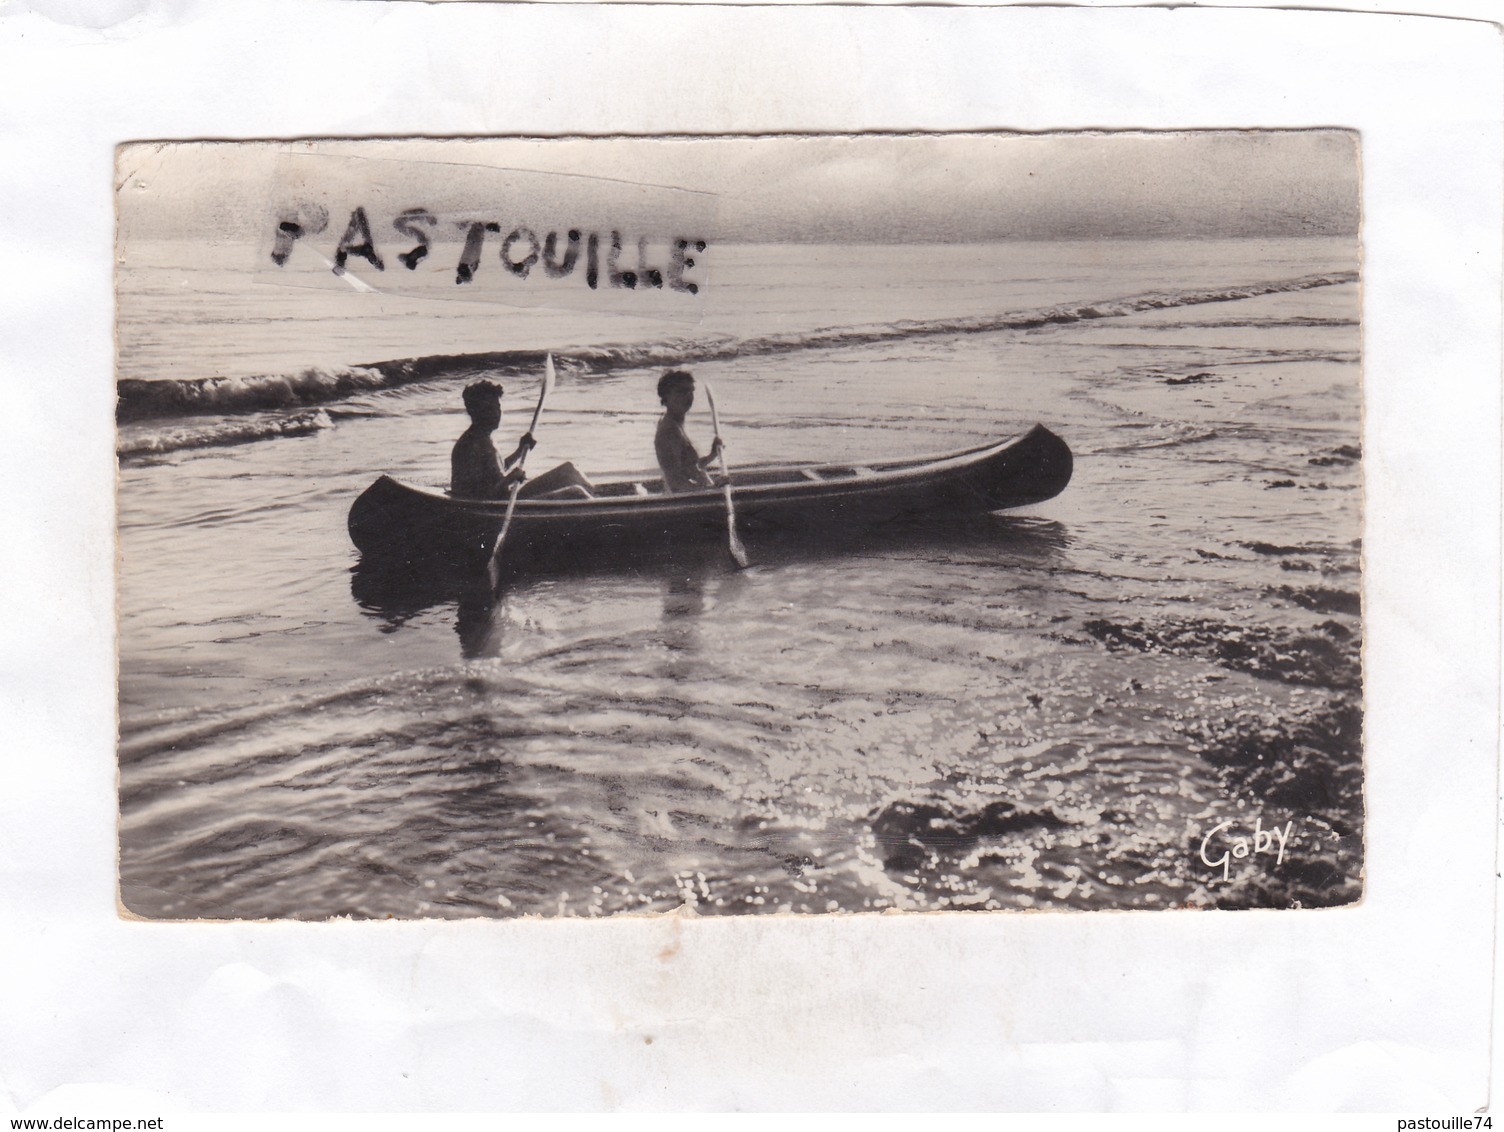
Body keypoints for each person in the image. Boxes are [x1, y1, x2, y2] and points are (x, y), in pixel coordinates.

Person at [450, 379, 593, 499]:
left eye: (497, 408)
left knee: (569, 470)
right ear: (473, 411)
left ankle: (599, 498)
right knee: (576, 492)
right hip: (502, 505)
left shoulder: (483, 437)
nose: (496, 414)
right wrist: (509, 478)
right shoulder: (471, 445)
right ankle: (601, 508)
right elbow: (479, 495)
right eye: (488, 409)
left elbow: (493, 473)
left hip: (507, 496)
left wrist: (519, 451)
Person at [654, 369, 723, 493]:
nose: (687, 397)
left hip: (699, 496)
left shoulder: (676, 423)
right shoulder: (669, 430)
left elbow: (690, 468)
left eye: (690, 392)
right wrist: (712, 489)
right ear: (666, 395)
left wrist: (712, 455)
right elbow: (677, 485)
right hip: (686, 503)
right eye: (681, 392)